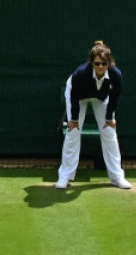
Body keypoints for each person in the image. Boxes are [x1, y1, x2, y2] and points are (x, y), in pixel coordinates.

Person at [56, 40, 131, 189]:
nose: (101, 67)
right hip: (79, 96)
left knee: (109, 131)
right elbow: (74, 97)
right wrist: (74, 120)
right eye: (97, 64)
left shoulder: (116, 75)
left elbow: (115, 97)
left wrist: (110, 118)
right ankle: (65, 177)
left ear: (109, 63)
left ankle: (117, 177)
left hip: (101, 98)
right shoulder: (80, 74)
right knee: (73, 131)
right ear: (91, 63)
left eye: (104, 63)